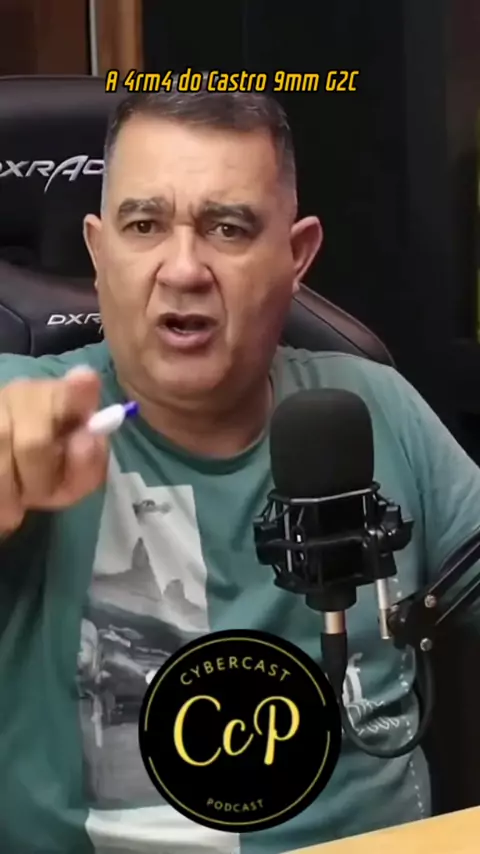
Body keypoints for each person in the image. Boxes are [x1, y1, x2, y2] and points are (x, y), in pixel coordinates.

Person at [0, 81, 479, 854]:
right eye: (145, 225)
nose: (183, 269)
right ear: (99, 250)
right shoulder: (23, 409)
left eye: (227, 228)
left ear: (296, 256)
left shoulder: (375, 408)